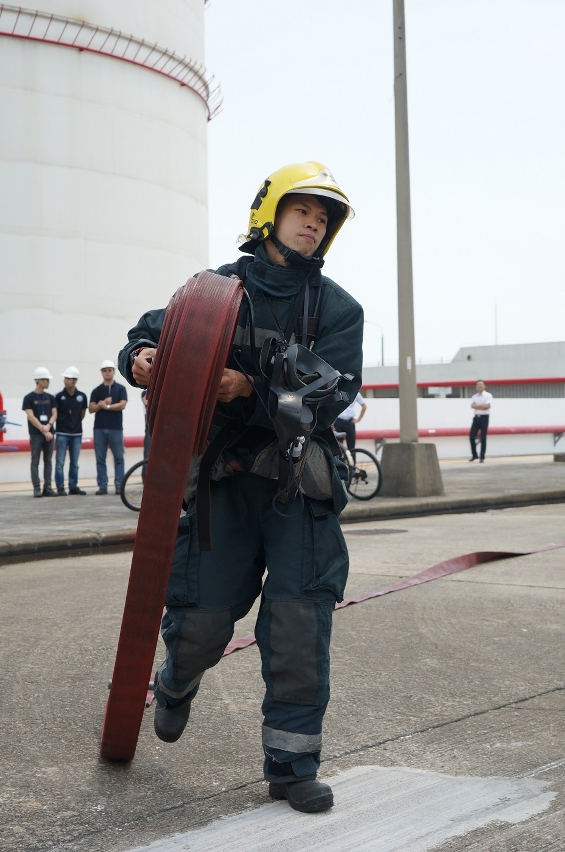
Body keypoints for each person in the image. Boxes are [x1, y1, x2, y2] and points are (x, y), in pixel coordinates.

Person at [120, 162, 362, 814]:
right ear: (269, 213)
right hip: (223, 485)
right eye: (303, 210)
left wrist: (247, 387)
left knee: (296, 623)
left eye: (324, 217)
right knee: (199, 621)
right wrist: (142, 357)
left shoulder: (339, 310)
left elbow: (330, 393)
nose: (313, 223)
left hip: (299, 486)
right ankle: (175, 682)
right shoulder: (214, 290)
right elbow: (152, 329)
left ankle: (291, 763)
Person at [89, 360, 128, 495]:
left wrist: (106, 406)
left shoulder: (121, 389)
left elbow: (122, 404)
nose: (107, 372)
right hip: (99, 428)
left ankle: (119, 485)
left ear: (113, 372)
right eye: (105, 370)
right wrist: (100, 406)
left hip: (116, 428)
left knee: (118, 457)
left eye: (109, 370)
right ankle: (102, 486)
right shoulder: (96, 390)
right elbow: (91, 408)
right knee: (100, 458)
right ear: (102, 372)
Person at [23, 367, 57, 497]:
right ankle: (36, 488)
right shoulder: (28, 398)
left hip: (49, 432)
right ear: (39, 381)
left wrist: (49, 425)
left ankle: (47, 487)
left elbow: (55, 413)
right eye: (46, 380)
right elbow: (31, 416)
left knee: (48, 461)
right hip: (36, 434)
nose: (48, 382)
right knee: (35, 460)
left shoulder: (50, 397)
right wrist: (43, 430)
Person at [54, 366, 88, 496]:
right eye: (65, 378)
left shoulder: (82, 396)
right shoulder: (58, 395)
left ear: (75, 381)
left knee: (74, 463)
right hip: (62, 433)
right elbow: (55, 412)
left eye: (68, 378)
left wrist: (74, 422)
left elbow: (82, 414)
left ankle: (73, 486)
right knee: (60, 462)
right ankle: (60, 487)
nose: (65, 381)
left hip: (76, 434)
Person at [469, 380, 491, 462]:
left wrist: (477, 406)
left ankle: (482, 456)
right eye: (478, 385)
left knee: (483, 438)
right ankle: (474, 455)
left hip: (484, 417)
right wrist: (480, 406)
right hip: (476, 417)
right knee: (471, 437)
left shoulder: (488, 395)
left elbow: (487, 406)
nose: (479, 386)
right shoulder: (474, 396)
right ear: (476, 387)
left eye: (481, 385)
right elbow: (472, 406)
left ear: (484, 386)